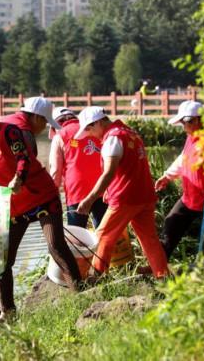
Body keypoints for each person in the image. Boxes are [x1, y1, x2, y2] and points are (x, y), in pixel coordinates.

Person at [0, 92, 82, 321]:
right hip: (12, 206)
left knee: (56, 246)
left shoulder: (9, 132)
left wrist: (19, 177)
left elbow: (23, 157)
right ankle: (7, 313)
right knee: (1, 260)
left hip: (41, 197)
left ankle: (80, 295)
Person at [75, 107, 169, 279]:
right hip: (145, 196)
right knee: (149, 239)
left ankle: (96, 278)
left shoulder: (112, 139)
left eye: (89, 129)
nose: (89, 134)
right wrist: (108, 191)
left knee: (103, 236)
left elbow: (109, 172)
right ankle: (163, 276)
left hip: (125, 198)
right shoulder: (128, 132)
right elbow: (129, 167)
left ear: (98, 122)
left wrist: (90, 199)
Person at [154, 101, 204, 260]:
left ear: (196, 120)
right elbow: (183, 159)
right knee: (171, 224)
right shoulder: (191, 137)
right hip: (190, 197)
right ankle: (159, 265)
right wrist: (167, 176)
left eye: (184, 122)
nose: (182, 126)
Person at [48, 107, 107, 228]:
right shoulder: (92, 128)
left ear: (56, 124)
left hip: (77, 190)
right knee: (103, 233)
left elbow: (55, 171)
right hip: (102, 187)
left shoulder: (60, 136)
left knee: (77, 236)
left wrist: (52, 199)